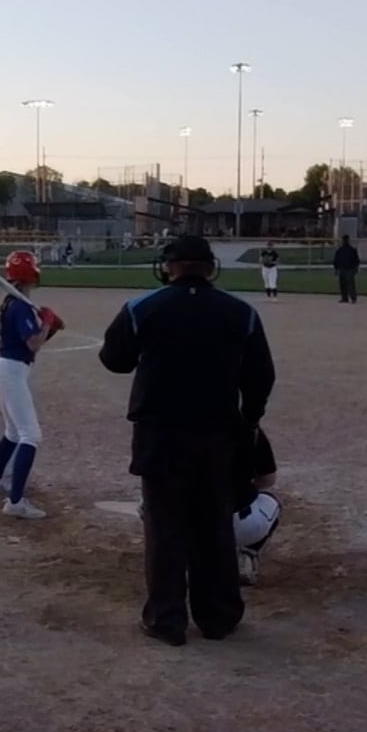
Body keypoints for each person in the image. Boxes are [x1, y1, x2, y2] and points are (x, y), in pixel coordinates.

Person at [99, 235, 276, 646]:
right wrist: (249, 420)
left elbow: (114, 360)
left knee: (164, 528)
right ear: (210, 267)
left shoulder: (142, 307)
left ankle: (167, 620)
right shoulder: (241, 312)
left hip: (160, 436)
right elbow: (261, 377)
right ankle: (219, 617)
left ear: (169, 266)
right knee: (214, 526)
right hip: (217, 435)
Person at [0, 250, 61, 520]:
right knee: (31, 435)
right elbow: (33, 344)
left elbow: (33, 343)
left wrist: (50, 328)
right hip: (11, 370)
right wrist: (46, 323)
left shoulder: (14, 302)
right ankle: (15, 502)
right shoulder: (20, 305)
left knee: (15, 432)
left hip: (7, 367)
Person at [233, 427, 283, 587]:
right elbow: (268, 480)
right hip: (239, 525)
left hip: (187, 528)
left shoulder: (172, 428)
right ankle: (246, 556)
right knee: (271, 501)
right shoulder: (247, 427)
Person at [332, 234, 360, 304]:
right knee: (343, 284)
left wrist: (355, 268)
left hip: (349, 269)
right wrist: (336, 268)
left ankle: (352, 298)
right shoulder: (341, 250)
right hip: (343, 269)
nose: (344, 241)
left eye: (345, 240)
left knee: (350, 285)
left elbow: (356, 260)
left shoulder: (351, 250)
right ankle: (345, 298)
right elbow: (336, 260)